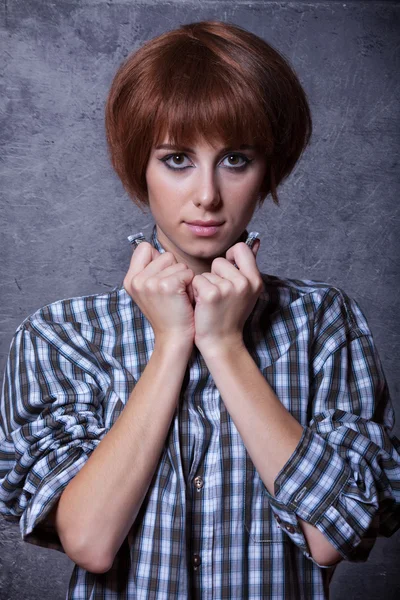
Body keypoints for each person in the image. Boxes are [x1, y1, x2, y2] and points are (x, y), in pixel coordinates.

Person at [0, 19, 399, 600]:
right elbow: (89, 540)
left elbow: (332, 536)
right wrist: (170, 344)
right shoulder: (62, 335)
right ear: (141, 165)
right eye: (177, 158)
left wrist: (225, 345)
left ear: (269, 169)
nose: (207, 194)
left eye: (236, 159)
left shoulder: (322, 323)